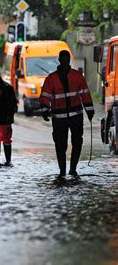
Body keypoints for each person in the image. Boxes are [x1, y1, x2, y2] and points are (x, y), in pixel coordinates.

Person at [40, 50, 94, 179]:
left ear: (69, 60)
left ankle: (72, 169)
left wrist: (89, 110)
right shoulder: (51, 79)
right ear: (59, 60)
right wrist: (45, 110)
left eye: (66, 60)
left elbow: (85, 93)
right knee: (60, 145)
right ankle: (63, 170)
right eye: (63, 60)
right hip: (60, 118)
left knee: (77, 142)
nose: (65, 63)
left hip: (75, 116)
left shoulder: (77, 76)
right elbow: (45, 96)